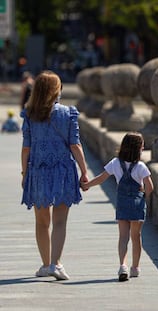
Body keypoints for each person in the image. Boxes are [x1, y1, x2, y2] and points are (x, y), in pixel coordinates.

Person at [20, 70, 89, 280]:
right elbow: (75, 145)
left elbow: (26, 148)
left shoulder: (29, 115)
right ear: (56, 91)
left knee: (42, 221)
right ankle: (56, 264)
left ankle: (45, 264)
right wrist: (84, 171)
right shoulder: (68, 113)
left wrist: (25, 173)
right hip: (63, 171)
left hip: (38, 171)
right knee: (60, 221)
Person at [81, 132, 154, 282]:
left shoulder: (115, 163)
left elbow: (101, 178)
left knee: (123, 237)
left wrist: (87, 185)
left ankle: (123, 265)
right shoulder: (140, 166)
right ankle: (135, 267)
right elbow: (150, 187)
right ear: (139, 149)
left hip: (122, 203)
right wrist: (143, 194)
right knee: (136, 237)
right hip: (136, 204)